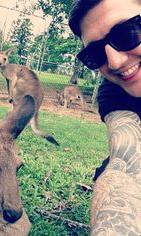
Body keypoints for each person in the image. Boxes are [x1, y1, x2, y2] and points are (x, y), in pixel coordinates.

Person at [69, 0, 141, 235]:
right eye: (95, 53)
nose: (115, 62)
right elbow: (127, 159)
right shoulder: (115, 90)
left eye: (127, 34)